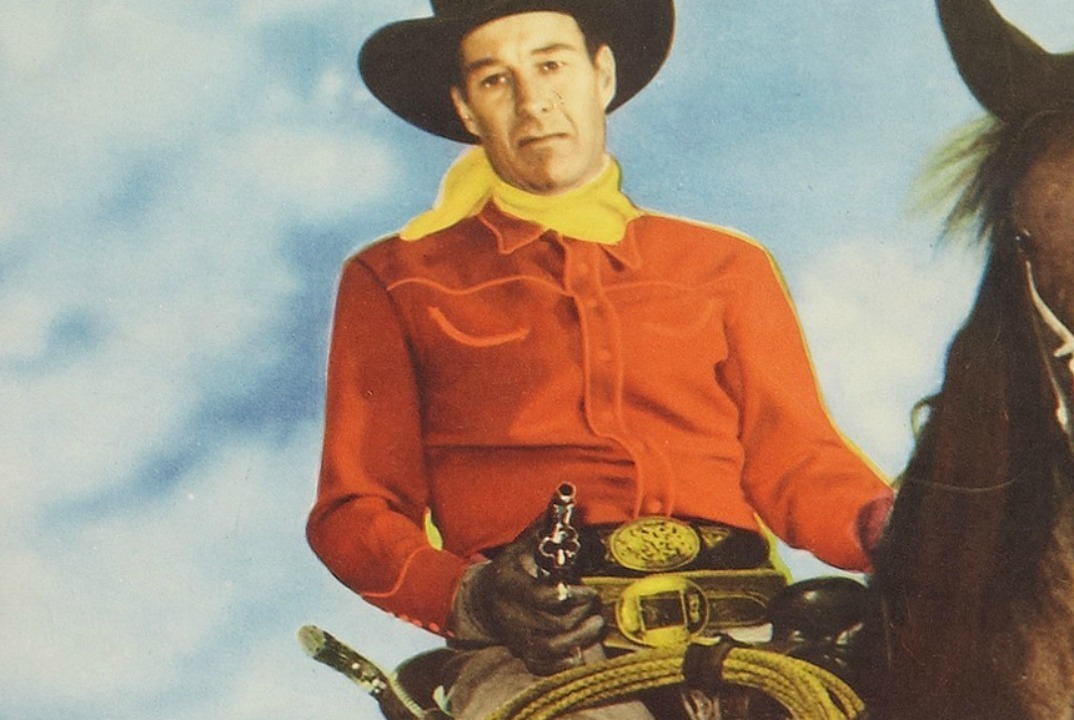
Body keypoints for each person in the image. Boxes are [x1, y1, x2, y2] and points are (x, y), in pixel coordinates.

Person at [306, 1, 894, 717]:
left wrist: (889, 524)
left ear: (602, 75)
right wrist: (472, 598)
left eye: (552, 65)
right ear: (465, 107)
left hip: (753, 638)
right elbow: (356, 511)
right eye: (495, 80)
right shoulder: (394, 279)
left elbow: (798, 463)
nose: (534, 102)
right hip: (542, 659)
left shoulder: (727, 267)